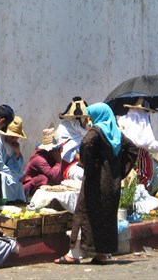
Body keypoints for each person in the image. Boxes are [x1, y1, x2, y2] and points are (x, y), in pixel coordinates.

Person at [54, 103, 138, 265]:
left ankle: (74, 254)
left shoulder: (96, 132)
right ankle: (101, 254)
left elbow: (86, 144)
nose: (90, 119)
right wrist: (119, 171)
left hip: (94, 183)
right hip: (111, 184)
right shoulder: (116, 134)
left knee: (83, 215)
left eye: (91, 116)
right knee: (105, 217)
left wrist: (88, 164)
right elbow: (133, 150)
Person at [117, 97, 158, 187]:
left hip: (124, 164)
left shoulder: (123, 121)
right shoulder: (141, 125)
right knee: (139, 188)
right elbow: (153, 147)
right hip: (140, 166)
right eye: (146, 111)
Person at [22, 128, 64, 197]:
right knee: (43, 179)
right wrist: (58, 162)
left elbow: (58, 179)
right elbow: (53, 176)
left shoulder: (52, 158)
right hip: (25, 189)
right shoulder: (40, 159)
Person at [56, 97, 90, 181]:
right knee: (83, 176)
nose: (84, 121)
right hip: (68, 166)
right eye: (81, 118)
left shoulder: (86, 130)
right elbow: (60, 151)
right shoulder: (63, 129)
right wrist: (77, 157)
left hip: (86, 164)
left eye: (85, 118)